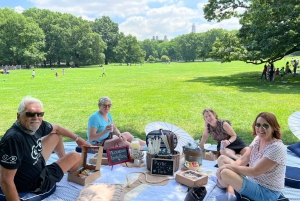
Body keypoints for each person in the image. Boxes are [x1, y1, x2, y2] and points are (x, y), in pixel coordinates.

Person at [0, 96, 91, 199]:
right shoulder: (14, 139)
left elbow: (57, 128)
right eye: (30, 114)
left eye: (40, 114)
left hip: (33, 161)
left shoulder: (36, 124)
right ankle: (73, 171)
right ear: (19, 116)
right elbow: (5, 180)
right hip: (37, 183)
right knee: (75, 156)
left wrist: (78, 139)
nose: (36, 118)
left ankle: (65, 162)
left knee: (56, 135)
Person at [216, 112, 286, 201]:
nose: (260, 129)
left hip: (266, 192)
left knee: (225, 172)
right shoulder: (258, 138)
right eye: (258, 125)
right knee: (222, 159)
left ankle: (226, 185)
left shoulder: (277, 148)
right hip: (253, 180)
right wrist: (229, 168)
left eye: (265, 126)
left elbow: (255, 171)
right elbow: (243, 159)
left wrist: (228, 168)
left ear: (273, 128)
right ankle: (228, 184)